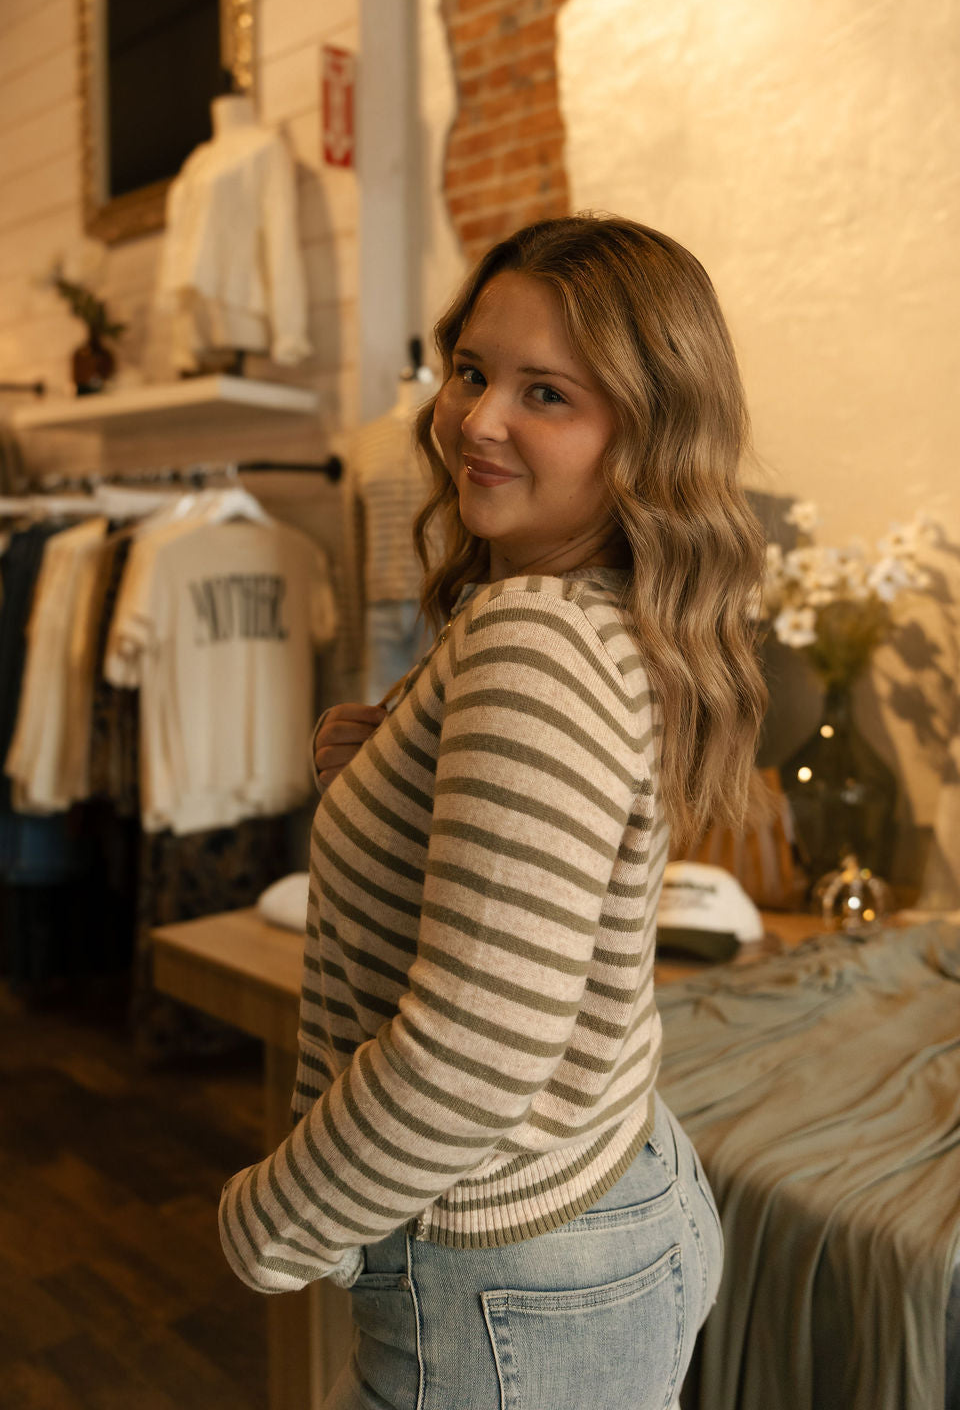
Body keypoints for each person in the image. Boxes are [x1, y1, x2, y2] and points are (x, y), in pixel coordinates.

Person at [219, 214, 767, 1410]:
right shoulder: (604, 611)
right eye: (471, 371)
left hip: (507, 1283)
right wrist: (397, 767)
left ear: (646, 432)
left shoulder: (534, 639)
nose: (476, 419)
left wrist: (275, 1216)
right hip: (607, 1195)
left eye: (544, 393)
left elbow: (469, 1056)